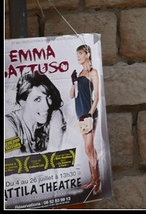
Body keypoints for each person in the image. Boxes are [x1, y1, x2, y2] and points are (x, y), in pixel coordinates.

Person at [5, 71, 68, 153]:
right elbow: (16, 159)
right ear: (22, 102)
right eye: (37, 99)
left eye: (48, 97)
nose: (46, 106)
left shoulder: (55, 115)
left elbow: (54, 154)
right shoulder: (8, 123)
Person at [70, 44, 101, 195]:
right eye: (77, 54)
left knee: (88, 148)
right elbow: (71, 96)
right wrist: (73, 82)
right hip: (80, 113)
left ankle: (97, 180)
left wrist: (90, 113)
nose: (78, 57)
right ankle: (94, 179)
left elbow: (97, 97)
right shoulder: (80, 73)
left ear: (87, 54)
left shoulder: (92, 72)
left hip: (89, 114)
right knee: (89, 150)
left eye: (80, 53)